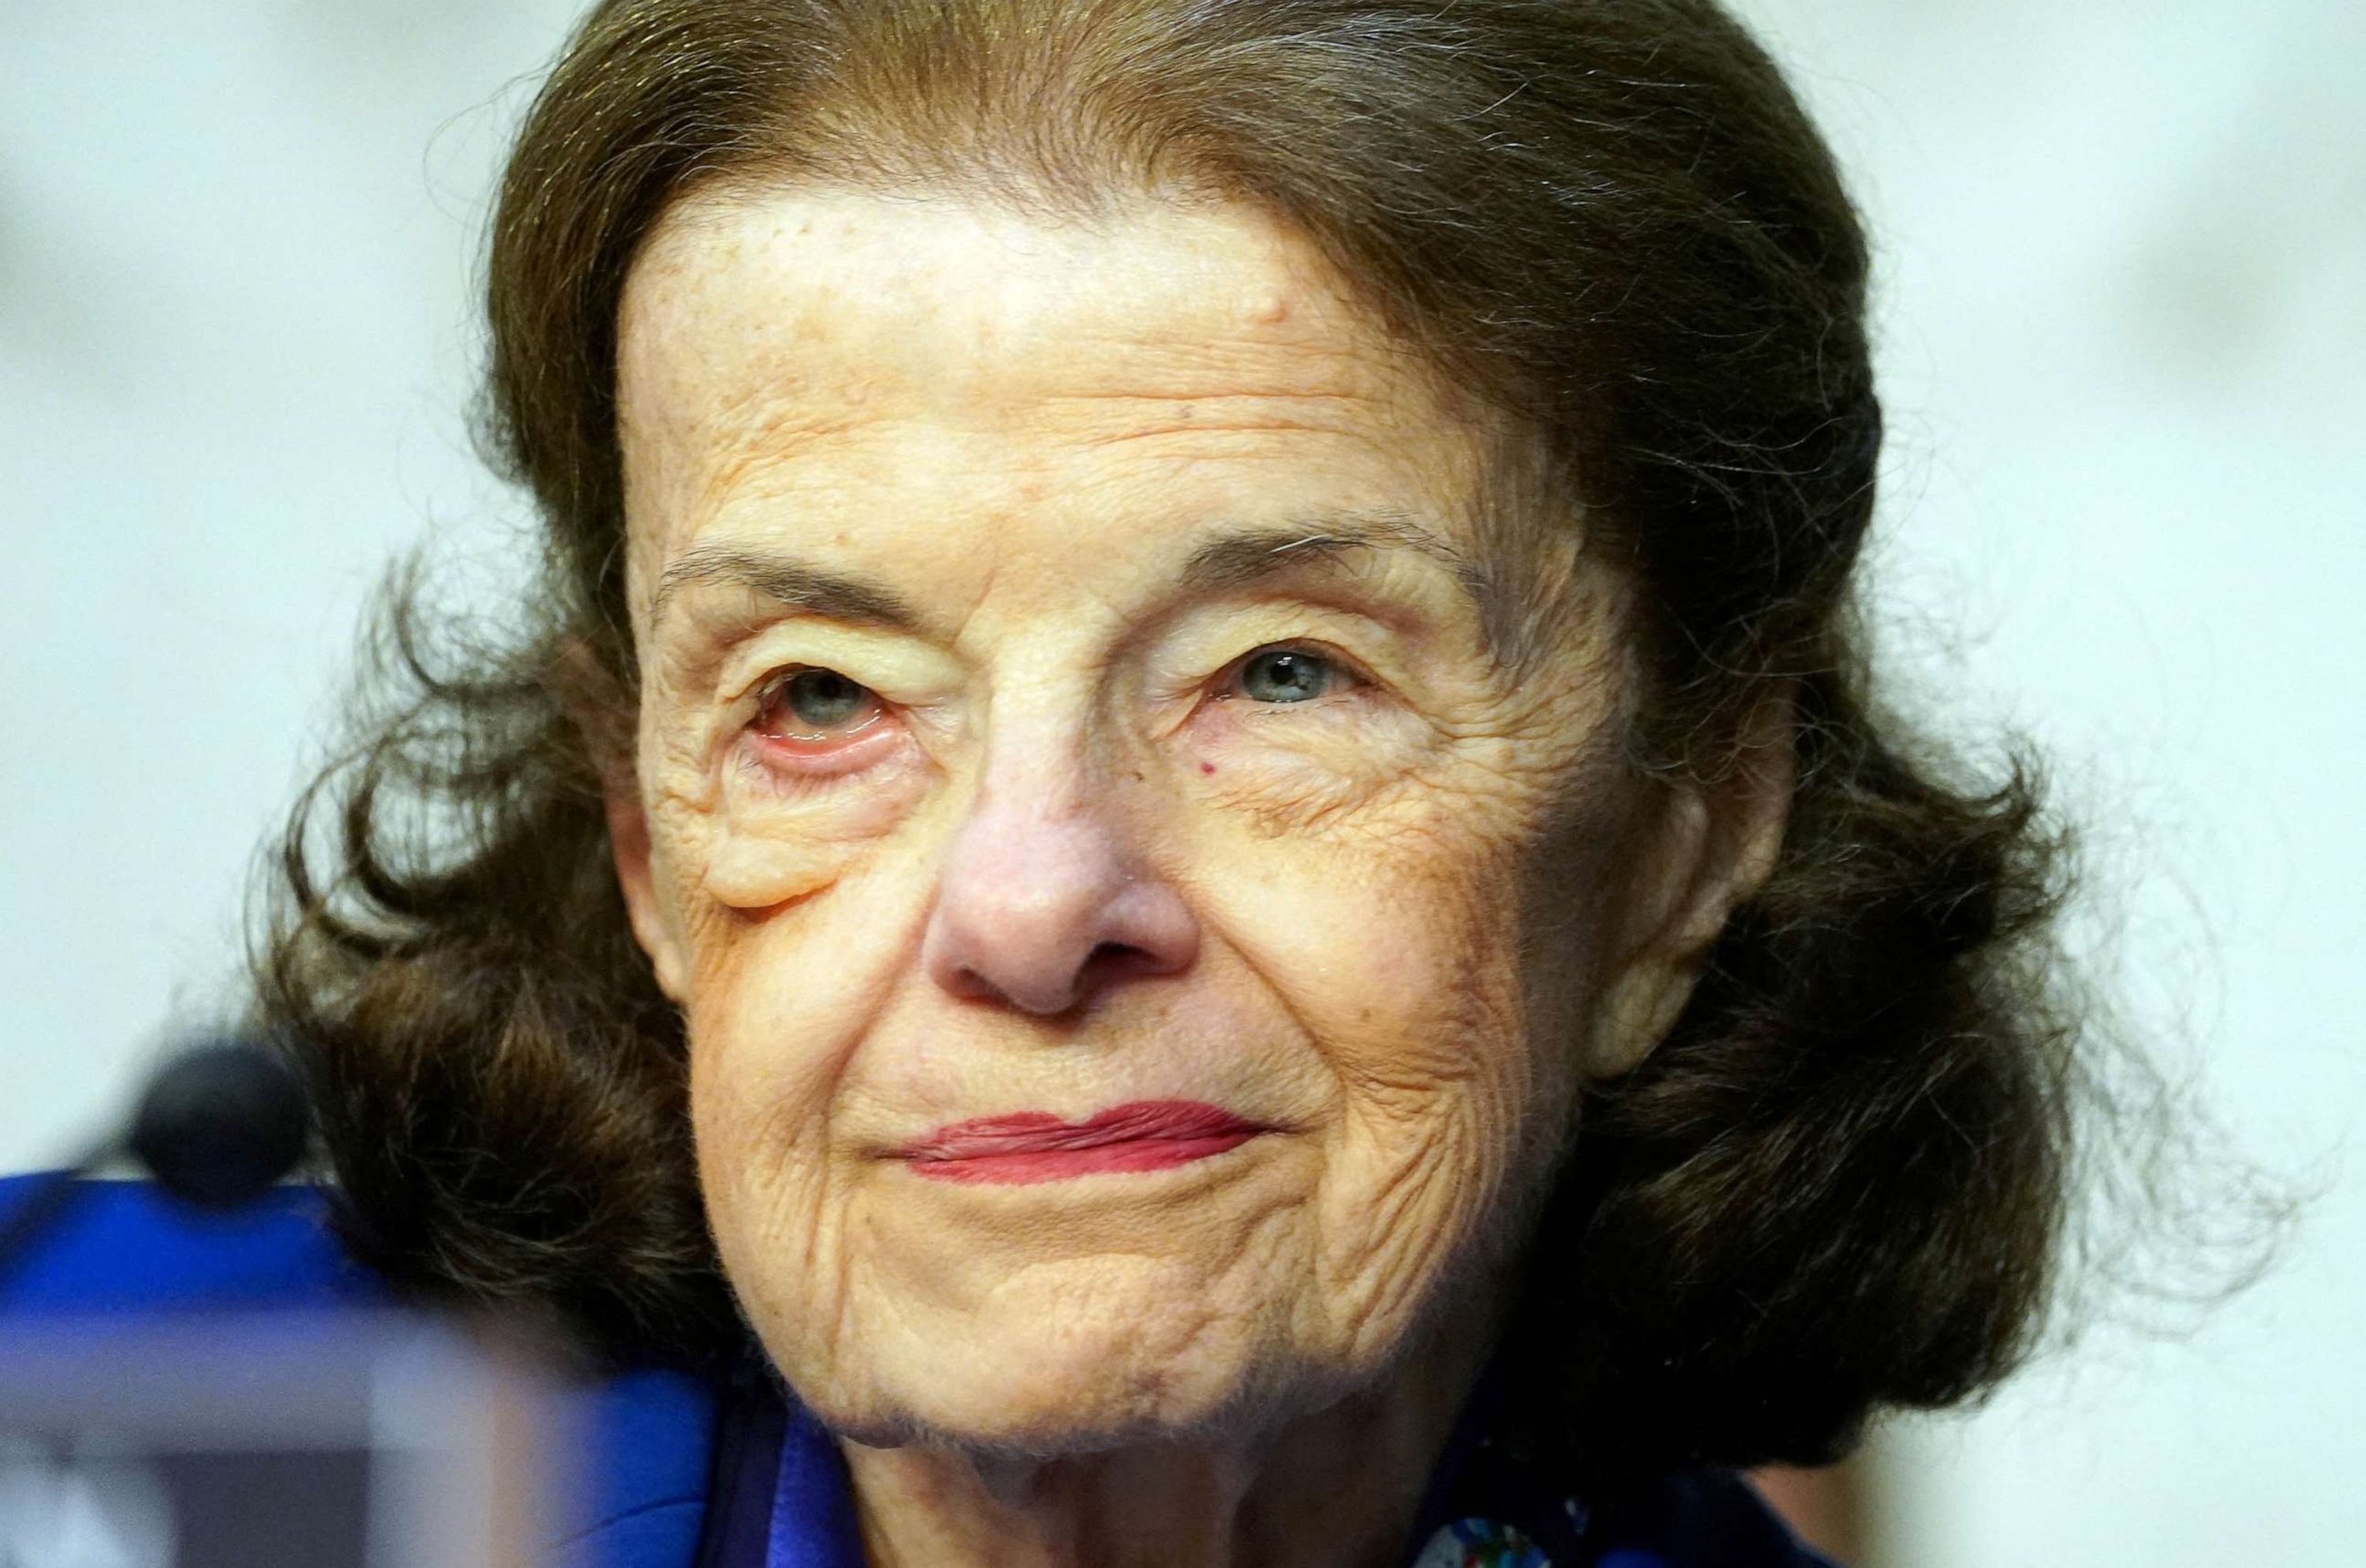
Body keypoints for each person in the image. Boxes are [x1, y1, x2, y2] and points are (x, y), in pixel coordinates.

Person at [7, 2, 2086, 1564]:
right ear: (645, 845)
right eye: (820, 698)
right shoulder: (124, 1445)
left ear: (1686, 834)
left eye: (1284, 672)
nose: (1025, 899)